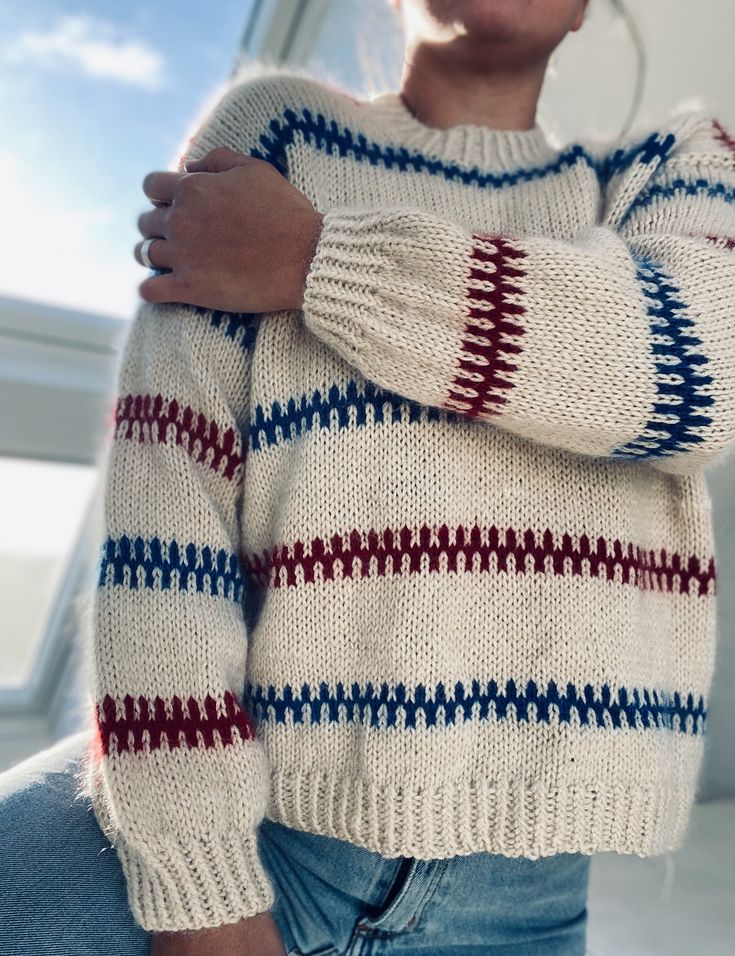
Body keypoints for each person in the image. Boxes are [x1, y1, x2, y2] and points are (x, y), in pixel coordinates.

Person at [2, 0, 734, 953]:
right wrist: (201, 893)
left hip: (523, 903)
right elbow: (166, 528)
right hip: (253, 847)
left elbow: (698, 378)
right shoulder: (277, 136)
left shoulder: (671, 168)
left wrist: (317, 261)